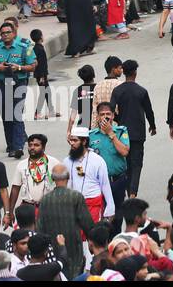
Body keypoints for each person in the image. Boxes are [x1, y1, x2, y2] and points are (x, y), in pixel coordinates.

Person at [109, 59, 155, 198]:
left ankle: (127, 190)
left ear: (124, 72)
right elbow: (149, 111)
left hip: (123, 132)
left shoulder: (117, 91)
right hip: (138, 133)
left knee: (126, 164)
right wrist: (152, 126)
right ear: (135, 73)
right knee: (136, 164)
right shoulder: (141, 91)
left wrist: (118, 119)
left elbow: (111, 110)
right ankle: (133, 193)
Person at [0, 19, 35, 157]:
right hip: (2, 85)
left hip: (18, 83)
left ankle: (18, 146)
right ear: (0, 35)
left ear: (13, 33)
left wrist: (18, 67)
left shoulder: (23, 46)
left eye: (8, 32)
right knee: (6, 116)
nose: (5, 35)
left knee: (16, 114)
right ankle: (11, 145)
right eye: (3, 33)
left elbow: (32, 65)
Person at [88, 101, 130, 219]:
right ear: (97, 116)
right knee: (100, 213)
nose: (105, 117)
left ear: (113, 115)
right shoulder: (91, 135)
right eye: (102, 114)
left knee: (117, 214)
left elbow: (124, 152)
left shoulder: (121, 131)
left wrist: (111, 133)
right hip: (98, 182)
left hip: (117, 180)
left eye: (108, 114)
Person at [63, 127, 114, 224]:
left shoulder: (98, 160)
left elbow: (105, 185)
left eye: (75, 140)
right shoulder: (66, 161)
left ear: (84, 141)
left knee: (92, 235)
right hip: (72, 206)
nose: (71, 143)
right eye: (71, 140)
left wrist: (110, 207)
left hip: (93, 205)